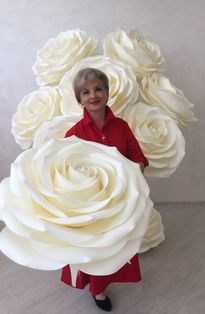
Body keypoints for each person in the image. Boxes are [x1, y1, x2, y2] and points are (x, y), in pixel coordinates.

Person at [61, 68, 148, 312]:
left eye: (98, 88)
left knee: (117, 247)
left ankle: (106, 281)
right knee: (97, 250)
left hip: (121, 202)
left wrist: (132, 174)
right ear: (79, 99)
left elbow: (138, 157)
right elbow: (65, 173)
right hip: (91, 207)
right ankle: (98, 290)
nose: (93, 95)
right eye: (85, 92)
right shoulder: (74, 134)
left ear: (107, 92)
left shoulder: (121, 127)